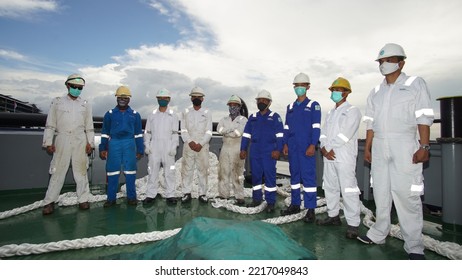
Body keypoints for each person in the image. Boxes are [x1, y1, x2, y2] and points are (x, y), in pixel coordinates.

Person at [358, 43, 434, 260]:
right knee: (381, 192)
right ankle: (379, 232)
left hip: (405, 144)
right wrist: (369, 147)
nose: (384, 64)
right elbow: (371, 123)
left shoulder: (415, 84)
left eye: (389, 60)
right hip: (380, 145)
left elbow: (423, 116)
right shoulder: (376, 92)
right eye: (381, 61)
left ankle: (414, 246)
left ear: (401, 62)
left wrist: (424, 146)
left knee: (407, 195)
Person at [41, 74, 94, 215]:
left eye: (80, 88)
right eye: (74, 87)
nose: (77, 90)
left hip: (80, 140)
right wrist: (48, 142)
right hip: (62, 139)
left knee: (81, 172)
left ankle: (83, 199)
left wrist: (90, 143)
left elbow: (89, 126)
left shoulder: (86, 104)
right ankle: (49, 202)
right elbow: (50, 124)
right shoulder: (57, 102)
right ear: (67, 86)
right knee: (58, 171)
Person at [318, 77, 362, 239]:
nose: (335, 93)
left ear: (346, 92)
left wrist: (328, 148)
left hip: (343, 156)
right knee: (330, 186)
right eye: (333, 90)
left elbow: (346, 134)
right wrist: (323, 147)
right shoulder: (330, 113)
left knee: (348, 189)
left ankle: (353, 224)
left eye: (338, 90)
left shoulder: (353, 111)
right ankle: (333, 215)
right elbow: (323, 133)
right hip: (328, 156)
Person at [280, 73, 321, 223]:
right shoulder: (290, 107)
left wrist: (312, 144)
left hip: (306, 147)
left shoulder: (313, 105)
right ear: (294, 87)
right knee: (295, 177)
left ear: (308, 87)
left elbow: (316, 127)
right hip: (292, 147)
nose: (299, 88)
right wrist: (284, 143)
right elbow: (287, 127)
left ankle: (311, 209)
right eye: (297, 86)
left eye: (302, 85)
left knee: (309, 178)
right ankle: (295, 204)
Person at [99, 86, 144, 207]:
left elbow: (138, 134)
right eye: (120, 97)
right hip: (114, 144)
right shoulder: (109, 114)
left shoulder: (135, 115)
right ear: (116, 98)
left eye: (125, 97)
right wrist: (102, 148)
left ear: (129, 99)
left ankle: (131, 197)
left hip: (129, 143)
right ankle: (111, 199)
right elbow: (105, 133)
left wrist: (140, 149)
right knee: (112, 172)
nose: (122, 100)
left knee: (130, 172)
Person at [240, 90, 284, 213]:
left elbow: (280, 135)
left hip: (269, 151)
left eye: (264, 100)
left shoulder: (275, 117)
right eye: (259, 100)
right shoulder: (253, 118)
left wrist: (278, 150)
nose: (261, 102)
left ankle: (270, 202)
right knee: (256, 177)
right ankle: (256, 199)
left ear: (269, 103)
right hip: (255, 151)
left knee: (270, 177)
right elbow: (246, 135)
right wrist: (243, 149)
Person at [143, 88, 179, 205]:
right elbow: (147, 132)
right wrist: (147, 145)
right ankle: (150, 194)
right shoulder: (152, 115)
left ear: (169, 99)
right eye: (160, 98)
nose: (162, 100)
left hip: (168, 146)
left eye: (165, 98)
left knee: (170, 172)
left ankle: (170, 195)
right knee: (152, 171)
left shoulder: (173, 115)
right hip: (154, 146)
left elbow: (175, 133)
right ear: (157, 99)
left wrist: (174, 146)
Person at [180, 86, 213, 203]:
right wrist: (190, 142)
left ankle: (202, 194)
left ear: (203, 99)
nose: (196, 98)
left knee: (203, 170)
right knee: (187, 170)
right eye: (194, 96)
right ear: (191, 98)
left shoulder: (207, 113)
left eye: (199, 97)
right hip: (188, 145)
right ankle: (186, 193)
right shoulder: (185, 112)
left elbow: (209, 131)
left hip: (202, 147)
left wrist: (201, 143)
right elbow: (183, 130)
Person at [217, 95, 248, 205]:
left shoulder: (244, 120)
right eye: (230, 105)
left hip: (237, 149)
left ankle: (239, 196)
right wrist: (230, 130)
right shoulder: (224, 119)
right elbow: (219, 129)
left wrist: (226, 131)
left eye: (235, 105)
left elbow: (238, 133)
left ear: (239, 107)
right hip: (225, 148)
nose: (232, 107)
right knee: (223, 172)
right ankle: (223, 195)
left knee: (238, 173)